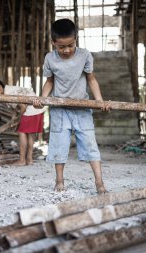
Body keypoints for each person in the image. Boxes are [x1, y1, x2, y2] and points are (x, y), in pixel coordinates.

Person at [33, 18, 110, 194]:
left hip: (82, 109)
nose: (66, 50)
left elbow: (91, 79)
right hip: (59, 109)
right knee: (59, 145)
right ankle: (59, 181)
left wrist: (100, 101)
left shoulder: (84, 55)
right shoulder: (50, 59)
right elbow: (49, 82)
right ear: (53, 43)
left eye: (71, 45)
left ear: (76, 39)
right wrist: (42, 100)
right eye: (61, 47)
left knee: (91, 144)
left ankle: (99, 182)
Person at [0, 76, 46, 166]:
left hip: (31, 108)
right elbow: (17, 107)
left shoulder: (9, 93)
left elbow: (23, 107)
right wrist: (13, 119)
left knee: (22, 132)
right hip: (37, 109)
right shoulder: (8, 91)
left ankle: (22, 160)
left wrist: (18, 120)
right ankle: (29, 159)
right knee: (30, 134)